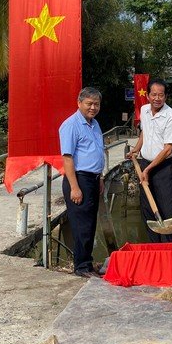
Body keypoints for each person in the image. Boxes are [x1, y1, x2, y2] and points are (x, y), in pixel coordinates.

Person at [126, 78, 172, 242]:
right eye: (154, 94)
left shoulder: (171, 116)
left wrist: (148, 169)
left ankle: (171, 247)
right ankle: (155, 246)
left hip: (164, 167)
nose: (157, 98)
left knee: (167, 209)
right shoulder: (144, 110)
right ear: (148, 95)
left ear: (165, 96)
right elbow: (145, 132)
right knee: (148, 209)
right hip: (145, 164)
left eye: (161, 95)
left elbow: (168, 149)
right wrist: (136, 149)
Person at [59, 87, 106, 278]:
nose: (93, 108)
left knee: (90, 223)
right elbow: (67, 158)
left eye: (96, 104)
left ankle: (87, 261)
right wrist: (74, 187)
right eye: (89, 104)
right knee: (81, 225)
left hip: (93, 179)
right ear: (79, 103)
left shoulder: (95, 124)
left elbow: (98, 152)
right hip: (79, 179)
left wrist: (100, 177)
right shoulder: (71, 125)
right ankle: (81, 266)